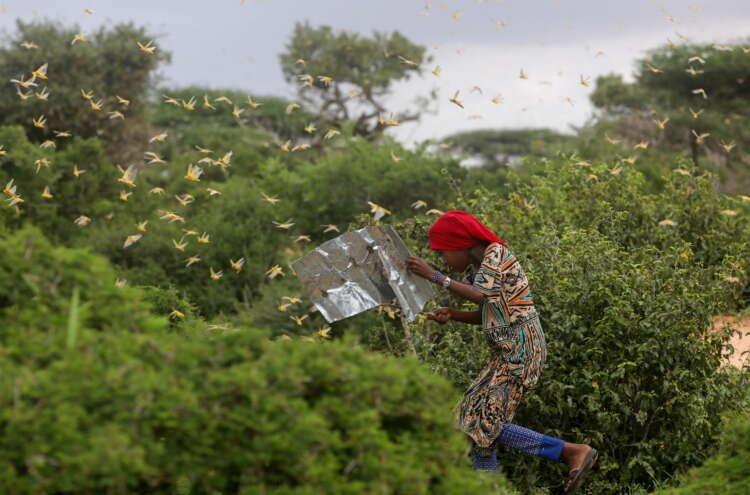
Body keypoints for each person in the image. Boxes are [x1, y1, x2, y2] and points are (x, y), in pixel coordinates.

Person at [405, 210, 598, 494]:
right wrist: (453, 315)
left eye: (443, 252)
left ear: (460, 243)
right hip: (504, 355)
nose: (444, 260)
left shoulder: (496, 253)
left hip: (521, 352)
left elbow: (481, 296)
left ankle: (571, 452)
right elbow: (489, 311)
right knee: (466, 420)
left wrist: (435, 276)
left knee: (485, 422)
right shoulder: (480, 266)